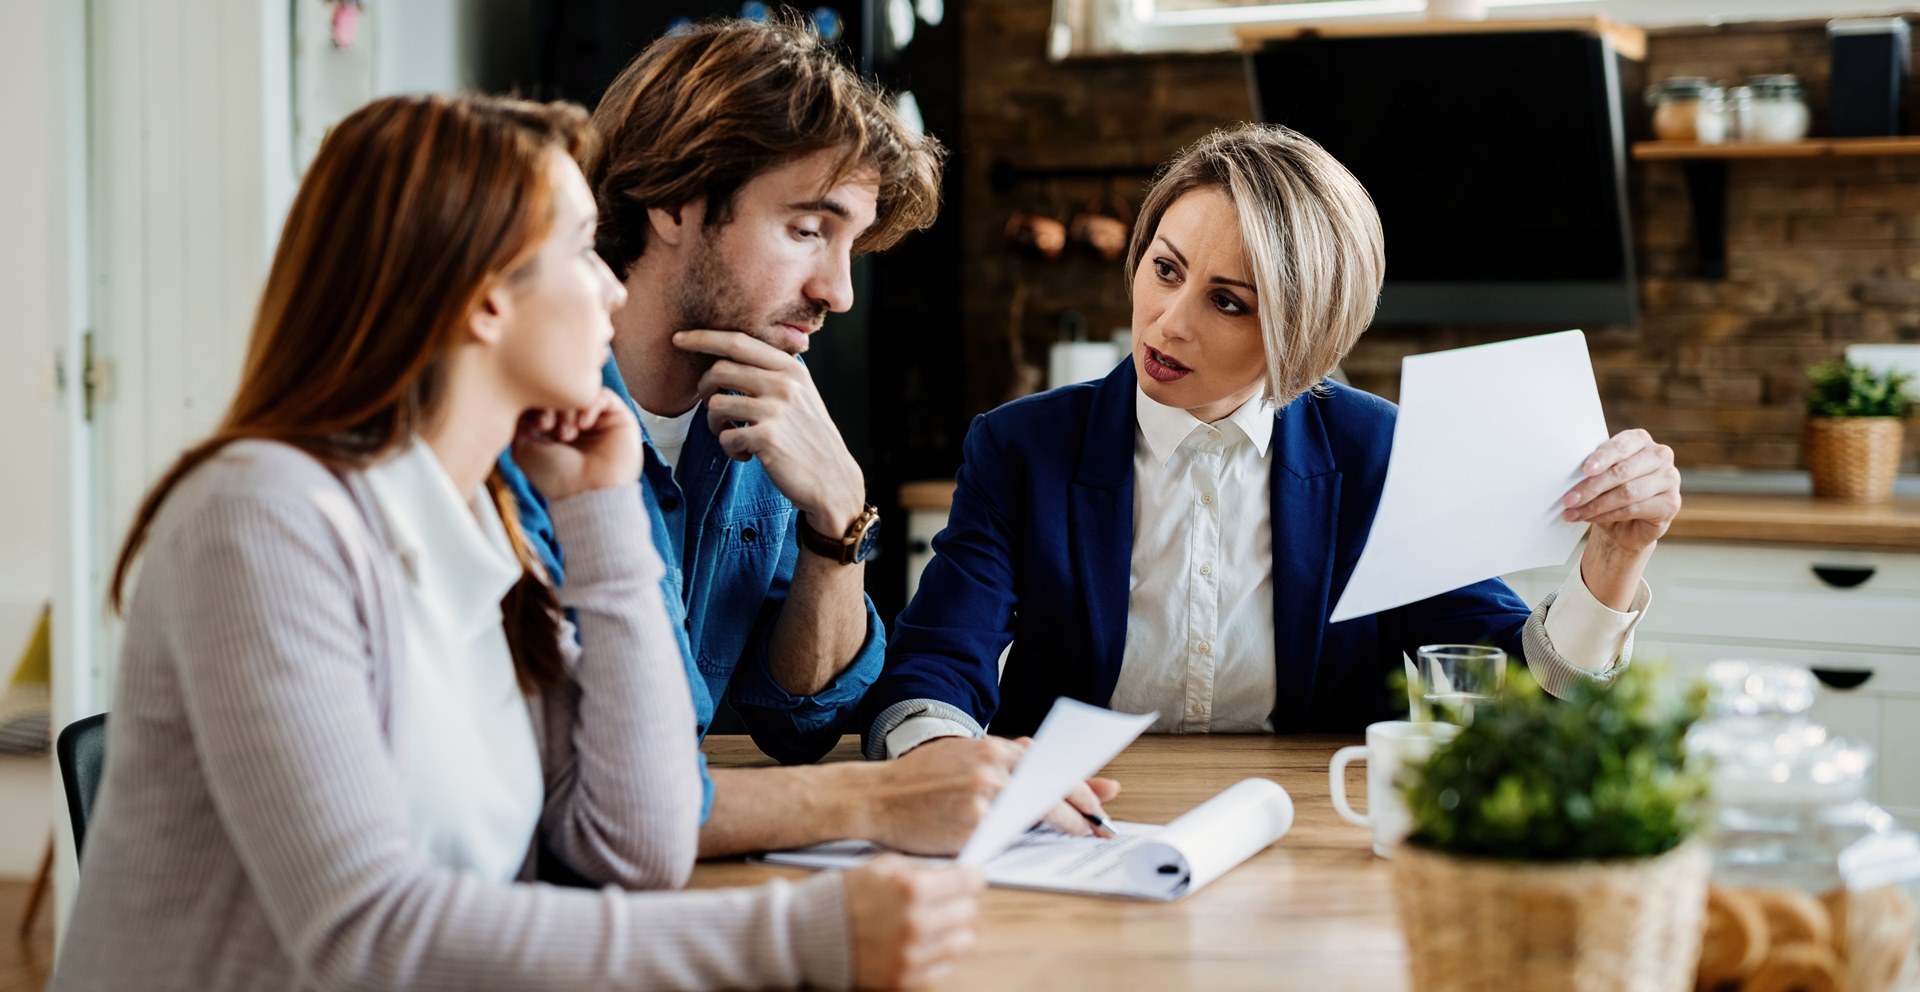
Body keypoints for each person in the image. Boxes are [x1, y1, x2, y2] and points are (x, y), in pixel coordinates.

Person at [51, 92, 979, 992]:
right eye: (581, 251)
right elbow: (366, 939)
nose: (614, 287)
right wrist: (799, 936)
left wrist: (604, 508)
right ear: (487, 299)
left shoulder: (485, 513)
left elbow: (638, 836)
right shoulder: (264, 519)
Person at [498, 16, 1115, 858]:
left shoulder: (763, 418)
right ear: (675, 200)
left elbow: (800, 720)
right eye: (806, 230)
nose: (838, 291)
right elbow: (587, 785)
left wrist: (838, 522)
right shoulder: (520, 429)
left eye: (851, 246)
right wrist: (886, 795)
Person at [860, 123, 1681, 755]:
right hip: (1072, 825)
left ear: (1305, 333)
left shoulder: (1375, 454)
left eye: (1229, 302)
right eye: (1166, 268)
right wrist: (947, 763)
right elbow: (931, 671)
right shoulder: (1019, 448)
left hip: (1306, 831)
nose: (1167, 323)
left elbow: (1520, 688)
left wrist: (1612, 566)